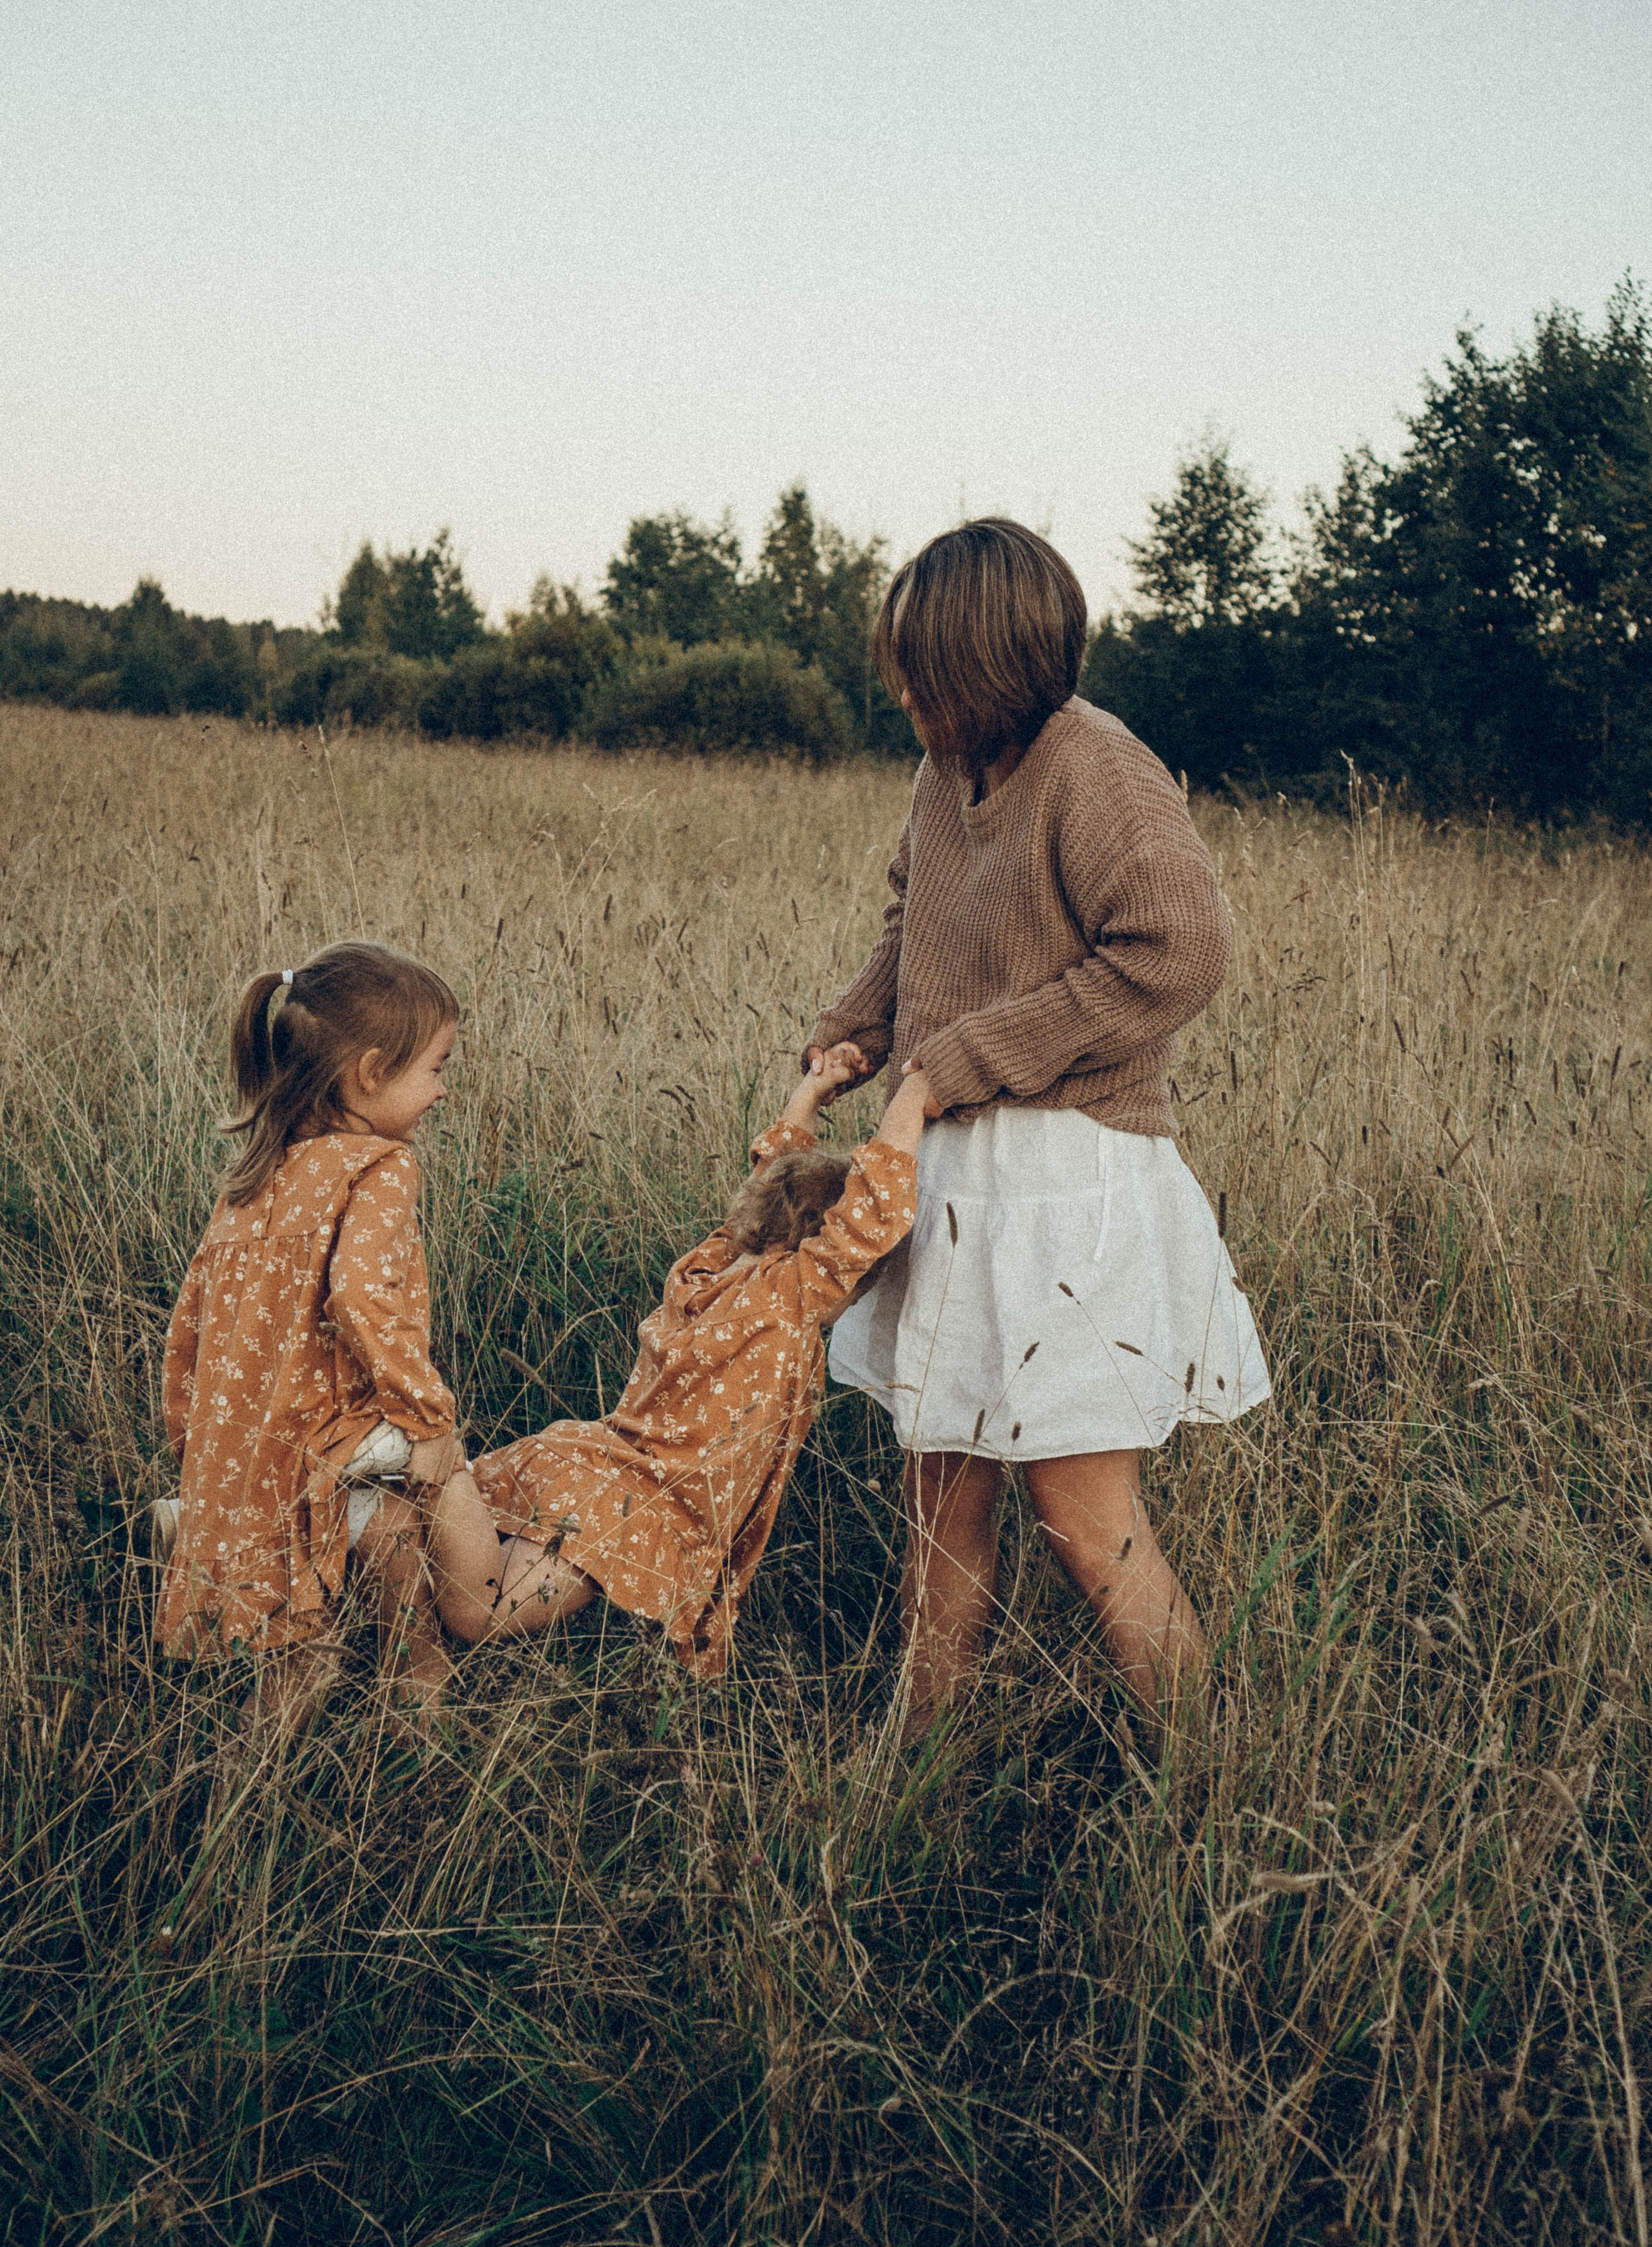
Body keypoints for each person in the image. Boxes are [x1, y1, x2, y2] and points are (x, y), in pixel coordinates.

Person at [803, 518, 1270, 1740]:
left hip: (1065, 1180)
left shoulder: (1097, 764)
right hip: (951, 1169)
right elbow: (917, 926)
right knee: (939, 1492)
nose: (902, 687)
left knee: (1082, 1516)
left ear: (987, 660)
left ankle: (1210, 1777)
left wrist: (956, 1060)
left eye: (921, 664)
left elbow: (1182, 952)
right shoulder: (946, 768)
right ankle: (921, 1760)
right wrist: (849, 1042)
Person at [421, 1050, 927, 1670]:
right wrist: (917, 1089)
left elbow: (776, 1166)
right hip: (633, 1508)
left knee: (443, 1575)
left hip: (590, 1460)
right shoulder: (786, 1297)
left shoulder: (710, 1265)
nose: (851, 1296)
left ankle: (415, 1508)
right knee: (480, 1609)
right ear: (816, 1249)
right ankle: (435, 1460)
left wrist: (814, 1091)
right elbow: (870, 1214)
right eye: (859, 1285)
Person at [158, 941, 475, 1737]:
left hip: (251, 1448)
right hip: (324, 1435)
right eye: (436, 1067)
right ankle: (420, 1690)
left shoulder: (252, 1182)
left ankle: (247, 1789)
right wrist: (428, 1415)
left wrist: (202, 1452)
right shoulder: (379, 1165)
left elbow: (188, 1331)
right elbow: (363, 1298)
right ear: (370, 1072)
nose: (442, 1090)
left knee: (304, 1650)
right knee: (428, 1524)